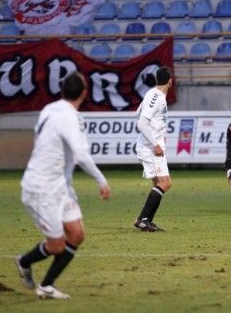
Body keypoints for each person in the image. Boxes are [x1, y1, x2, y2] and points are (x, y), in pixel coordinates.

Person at [15, 72, 111, 299]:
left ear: (62, 91)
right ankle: (24, 261)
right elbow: (81, 154)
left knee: (76, 234)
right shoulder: (69, 117)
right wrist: (102, 181)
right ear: (84, 93)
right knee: (57, 246)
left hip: (60, 186)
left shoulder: (50, 109)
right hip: (41, 189)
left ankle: (47, 286)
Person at [133, 66, 173, 232]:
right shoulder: (157, 97)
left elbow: (138, 114)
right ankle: (142, 219)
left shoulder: (152, 93)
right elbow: (141, 122)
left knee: (158, 183)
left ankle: (147, 220)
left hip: (151, 144)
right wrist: (155, 143)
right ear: (170, 81)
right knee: (165, 183)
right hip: (151, 147)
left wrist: (159, 133)